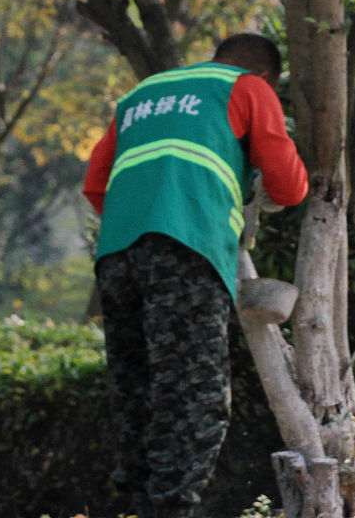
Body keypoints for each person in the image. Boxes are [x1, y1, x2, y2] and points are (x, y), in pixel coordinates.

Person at [83, 33, 308, 518]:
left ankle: (140, 503)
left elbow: (95, 185)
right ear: (266, 74)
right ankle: (171, 510)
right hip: (185, 248)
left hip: (117, 253)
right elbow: (288, 187)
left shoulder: (141, 95)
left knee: (136, 387)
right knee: (194, 396)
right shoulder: (249, 88)